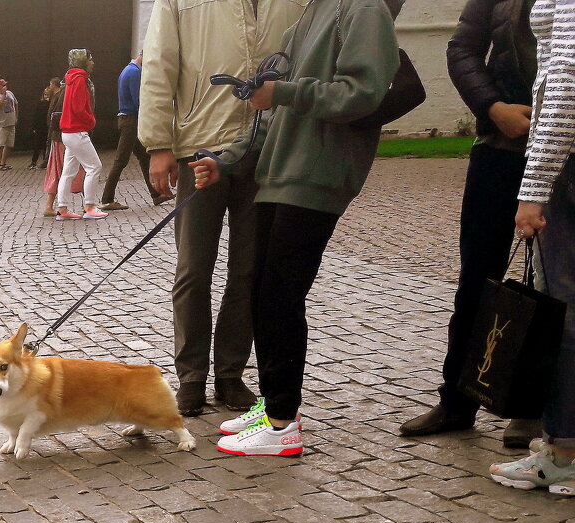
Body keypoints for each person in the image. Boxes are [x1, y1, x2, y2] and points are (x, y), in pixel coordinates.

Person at [190, 0, 400, 455]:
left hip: (316, 176)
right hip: (276, 176)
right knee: (264, 294)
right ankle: (273, 405)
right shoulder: (308, 15)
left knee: (281, 297)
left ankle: (283, 424)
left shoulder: (362, 9)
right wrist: (225, 162)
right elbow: (271, 115)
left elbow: (364, 92)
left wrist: (285, 92)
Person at [141, 0, 308, 416]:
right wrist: (159, 143)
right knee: (193, 269)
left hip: (268, 147)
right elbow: (160, 63)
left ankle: (230, 374)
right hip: (201, 143)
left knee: (249, 272)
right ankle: (192, 376)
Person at [400, 0, 541, 448]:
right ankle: (458, 400)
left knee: (549, 282)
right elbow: (462, 49)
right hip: (500, 146)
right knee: (477, 279)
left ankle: (529, 407)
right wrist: (493, 106)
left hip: (562, 154)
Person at [488, 0, 575, 493]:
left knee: (564, 310)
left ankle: (564, 449)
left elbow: (564, 84)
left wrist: (534, 188)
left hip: (569, 166)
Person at [101, 53, 167, 211]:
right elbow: (139, 101)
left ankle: (156, 195)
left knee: (144, 158)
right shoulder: (134, 72)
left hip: (129, 120)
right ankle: (106, 199)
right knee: (120, 161)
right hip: (131, 121)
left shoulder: (128, 70)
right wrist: (150, 121)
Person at [56, 49, 107, 221]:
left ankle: (62, 208)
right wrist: (91, 120)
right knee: (94, 167)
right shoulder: (80, 79)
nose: (92, 62)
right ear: (83, 61)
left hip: (68, 132)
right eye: (90, 59)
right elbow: (79, 108)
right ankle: (90, 206)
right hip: (77, 131)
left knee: (68, 172)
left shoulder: (71, 79)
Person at [42, 81, 86, 217]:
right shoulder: (71, 93)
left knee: (57, 170)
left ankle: (49, 205)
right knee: (83, 168)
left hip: (58, 137)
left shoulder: (58, 95)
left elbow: (51, 117)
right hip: (69, 135)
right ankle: (89, 204)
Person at [29, 78, 61, 170]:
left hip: (49, 126)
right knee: (40, 144)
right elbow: (37, 115)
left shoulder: (55, 98)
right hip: (42, 126)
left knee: (48, 144)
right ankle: (36, 161)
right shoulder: (41, 103)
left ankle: (47, 161)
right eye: (45, 94)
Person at [0, 78, 19, 170]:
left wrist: (16, 117)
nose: (5, 87)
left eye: (5, 85)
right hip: (0, 125)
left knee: (9, 144)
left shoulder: (10, 94)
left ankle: (3, 163)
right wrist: (3, 96)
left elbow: (16, 104)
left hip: (10, 123)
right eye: (3, 85)